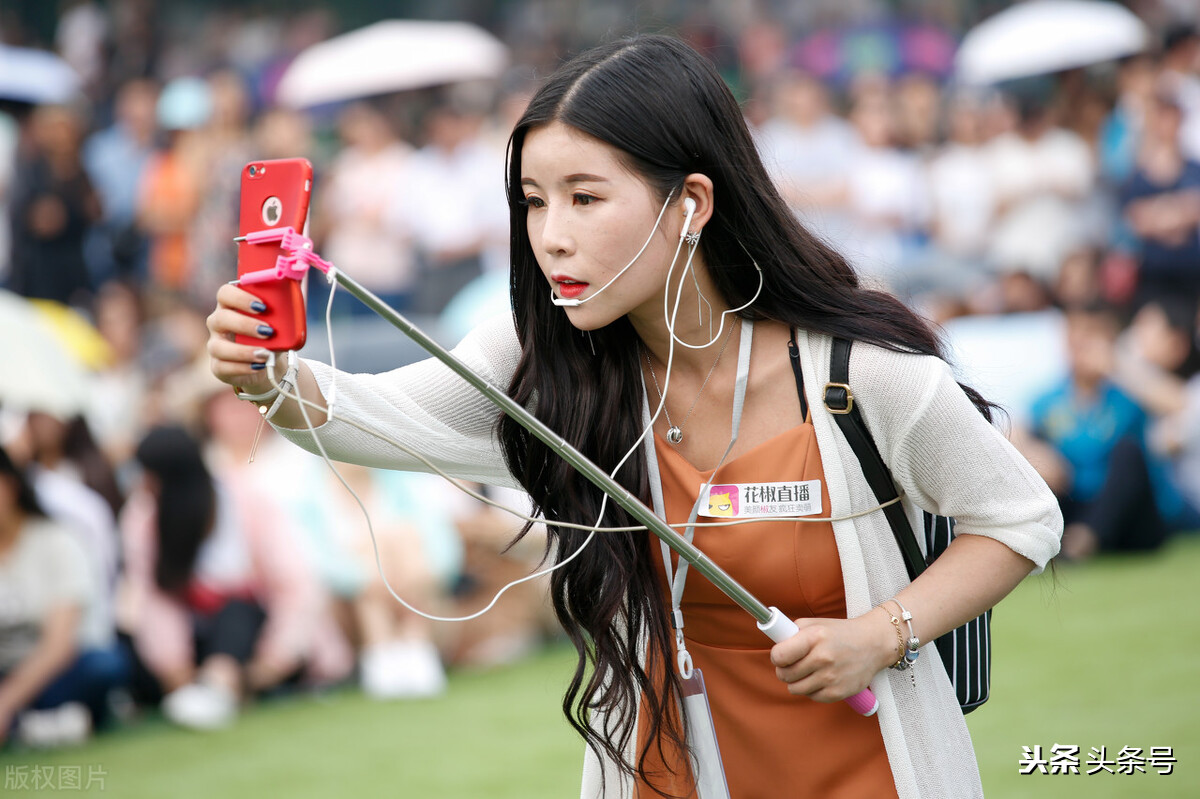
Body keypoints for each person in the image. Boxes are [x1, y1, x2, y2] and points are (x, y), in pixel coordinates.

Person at [206, 35, 1061, 798]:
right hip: (661, 773)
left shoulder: (860, 372)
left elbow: (1021, 517)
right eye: (533, 201)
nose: (550, 235)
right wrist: (268, 374)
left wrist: (881, 632)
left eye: (584, 198)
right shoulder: (545, 356)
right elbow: (377, 415)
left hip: (868, 769)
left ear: (692, 203)